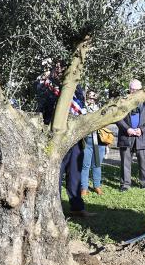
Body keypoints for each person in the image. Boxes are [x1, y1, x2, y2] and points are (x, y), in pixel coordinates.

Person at [36, 63, 93, 217]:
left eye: (64, 67)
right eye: (58, 68)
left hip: (74, 136)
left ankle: (77, 207)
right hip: (56, 137)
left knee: (75, 173)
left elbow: (81, 107)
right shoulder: (47, 87)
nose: (61, 70)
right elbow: (41, 110)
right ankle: (54, 209)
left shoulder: (77, 87)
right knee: (55, 173)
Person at [116, 79, 145, 191]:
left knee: (144, 161)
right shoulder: (123, 101)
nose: (134, 91)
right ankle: (125, 184)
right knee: (125, 162)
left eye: (137, 89)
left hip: (142, 136)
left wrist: (142, 130)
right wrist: (127, 129)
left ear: (141, 89)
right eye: (132, 89)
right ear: (129, 89)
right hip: (126, 136)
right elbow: (117, 117)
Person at [81, 90, 106, 195]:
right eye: (89, 97)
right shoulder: (82, 109)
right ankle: (84, 187)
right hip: (87, 140)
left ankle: (97, 186)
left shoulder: (100, 108)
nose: (91, 99)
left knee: (97, 164)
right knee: (85, 165)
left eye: (93, 97)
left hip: (99, 140)